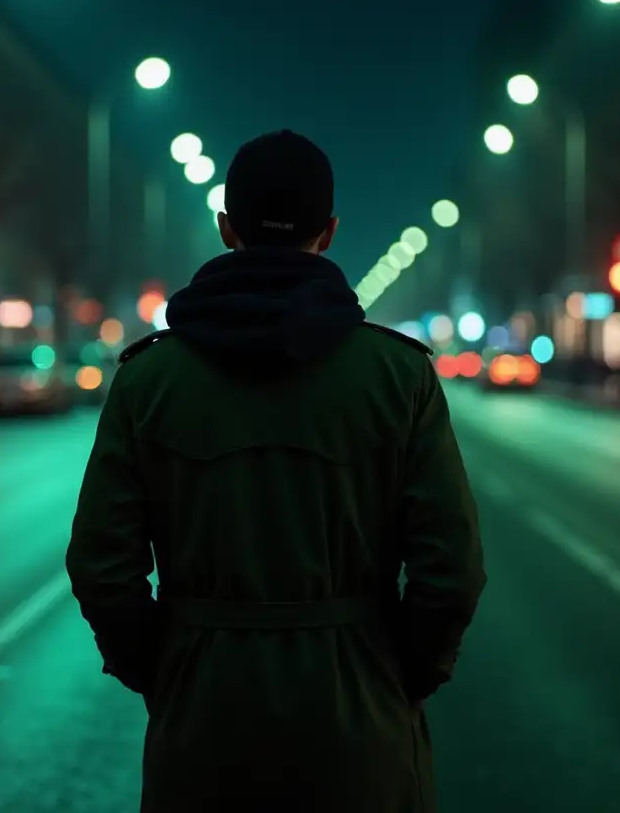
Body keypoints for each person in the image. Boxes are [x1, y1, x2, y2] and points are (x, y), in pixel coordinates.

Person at [66, 129, 485, 813]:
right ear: (329, 232)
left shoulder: (151, 381)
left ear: (226, 228)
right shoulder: (398, 376)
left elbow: (101, 564)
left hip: (203, 724)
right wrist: (397, 676)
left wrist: (166, 673)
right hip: (361, 727)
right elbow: (453, 569)